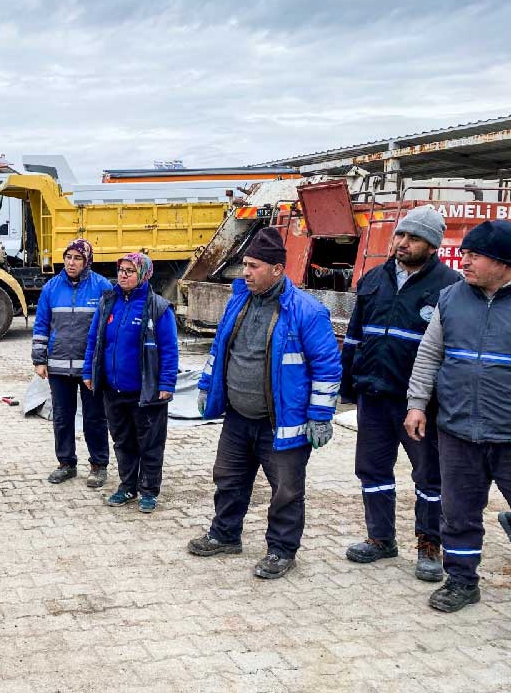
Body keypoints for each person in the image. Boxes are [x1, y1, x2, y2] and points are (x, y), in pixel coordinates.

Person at [189, 227, 341, 579]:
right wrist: (207, 385)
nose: (245, 272)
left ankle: (282, 550)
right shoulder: (239, 300)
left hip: (282, 424)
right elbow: (220, 350)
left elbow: (328, 367)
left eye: (254, 266)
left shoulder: (306, 311)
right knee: (228, 478)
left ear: (277, 269)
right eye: (245, 264)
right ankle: (225, 534)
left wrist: (321, 415)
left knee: (286, 490)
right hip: (239, 417)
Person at [340, 206, 460, 581]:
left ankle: (429, 546)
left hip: (421, 404)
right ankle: (380, 539)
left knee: (429, 476)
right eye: (400, 236)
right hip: (374, 395)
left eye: (414, 238)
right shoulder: (373, 279)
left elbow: (450, 352)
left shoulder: (451, 288)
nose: (403, 244)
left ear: (433, 246)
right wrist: (348, 386)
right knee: (372, 469)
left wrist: (432, 401)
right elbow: (354, 337)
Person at [405, 220, 511, 612]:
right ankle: (462, 582)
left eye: (473, 255)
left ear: (503, 262)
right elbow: (430, 354)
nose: (463, 260)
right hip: (457, 428)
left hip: (507, 432)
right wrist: (417, 404)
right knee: (459, 513)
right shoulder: (451, 297)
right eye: (463, 253)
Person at [82, 252, 178, 514]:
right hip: (114, 390)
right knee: (122, 441)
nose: (123, 275)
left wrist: (167, 384)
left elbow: (169, 350)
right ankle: (127, 486)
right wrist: (89, 372)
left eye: (129, 271)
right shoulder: (108, 302)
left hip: (145, 392)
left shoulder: (157, 308)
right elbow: (94, 340)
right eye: (121, 270)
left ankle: (148, 491)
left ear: (144, 274)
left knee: (149, 443)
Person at [32, 239, 113, 487]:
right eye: (68, 257)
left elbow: (109, 327)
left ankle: (98, 466)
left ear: (87, 260)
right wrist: (39, 359)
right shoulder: (51, 288)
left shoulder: (102, 287)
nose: (71, 262)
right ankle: (66, 463)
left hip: (90, 368)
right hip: (57, 366)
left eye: (77, 258)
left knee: (94, 418)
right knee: (62, 418)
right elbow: (41, 325)